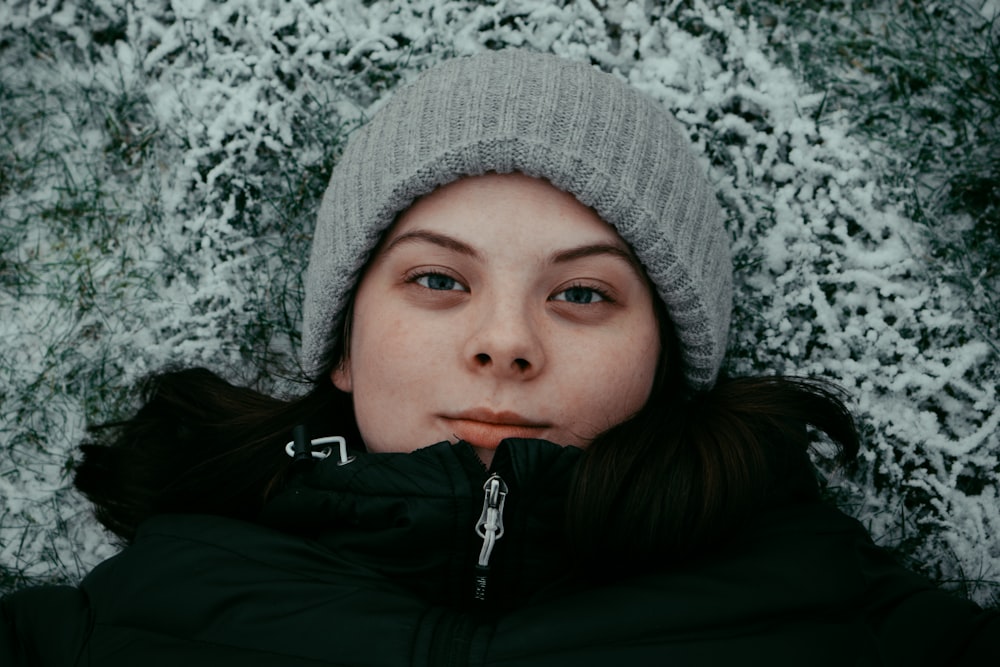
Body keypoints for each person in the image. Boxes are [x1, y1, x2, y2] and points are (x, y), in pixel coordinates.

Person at [2, 49, 997, 666]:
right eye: (438, 280)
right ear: (341, 350)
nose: (506, 342)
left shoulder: (837, 613)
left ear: (666, 361)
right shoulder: (132, 604)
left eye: (581, 293)